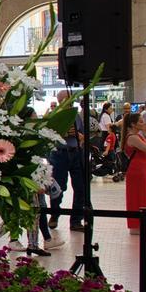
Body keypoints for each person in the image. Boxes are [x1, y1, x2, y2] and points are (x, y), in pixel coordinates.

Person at [48, 90, 87, 231]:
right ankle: (54, 214)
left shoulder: (76, 115)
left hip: (76, 152)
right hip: (60, 154)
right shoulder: (55, 115)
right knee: (58, 187)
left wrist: (80, 136)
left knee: (80, 187)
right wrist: (62, 133)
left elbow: (82, 132)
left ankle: (76, 220)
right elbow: (49, 135)